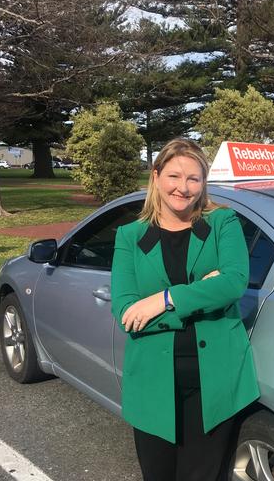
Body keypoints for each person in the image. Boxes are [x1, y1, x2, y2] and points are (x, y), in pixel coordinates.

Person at [111, 138, 259, 480]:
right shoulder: (130, 237)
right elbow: (127, 314)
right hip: (152, 381)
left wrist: (162, 299)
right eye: (175, 176)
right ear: (156, 176)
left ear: (203, 183)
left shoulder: (223, 223)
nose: (184, 187)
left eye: (194, 178)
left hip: (215, 381)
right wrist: (204, 290)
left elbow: (234, 282)